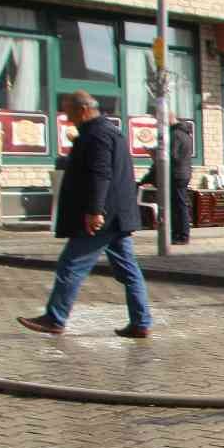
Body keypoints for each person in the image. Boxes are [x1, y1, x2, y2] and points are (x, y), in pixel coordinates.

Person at [18, 91, 153, 338]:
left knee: (71, 264)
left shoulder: (97, 134)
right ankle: (141, 321)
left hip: (103, 217)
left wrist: (95, 211)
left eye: (69, 112)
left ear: (83, 110)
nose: (67, 117)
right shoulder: (108, 131)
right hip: (117, 216)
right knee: (128, 270)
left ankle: (55, 318)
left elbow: (100, 174)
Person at [139, 112, 194, 244]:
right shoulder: (184, 133)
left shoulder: (175, 135)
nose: (158, 124)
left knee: (178, 206)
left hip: (176, 174)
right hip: (182, 173)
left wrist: (154, 153)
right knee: (178, 205)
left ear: (167, 119)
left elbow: (170, 157)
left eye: (160, 120)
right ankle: (178, 234)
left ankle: (181, 236)